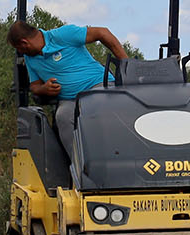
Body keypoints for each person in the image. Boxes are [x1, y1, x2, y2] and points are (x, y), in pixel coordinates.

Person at [7, 19, 127, 155]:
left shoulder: (63, 35)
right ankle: (81, 168)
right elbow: (35, 86)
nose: (21, 53)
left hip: (97, 86)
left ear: (24, 43)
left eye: (19, 49)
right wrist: (44, 89)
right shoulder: (30, 58)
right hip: (69, 100)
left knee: (99, 108)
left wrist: (128, 67)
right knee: (63, 116)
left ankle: (117, 156)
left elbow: (102, 33)